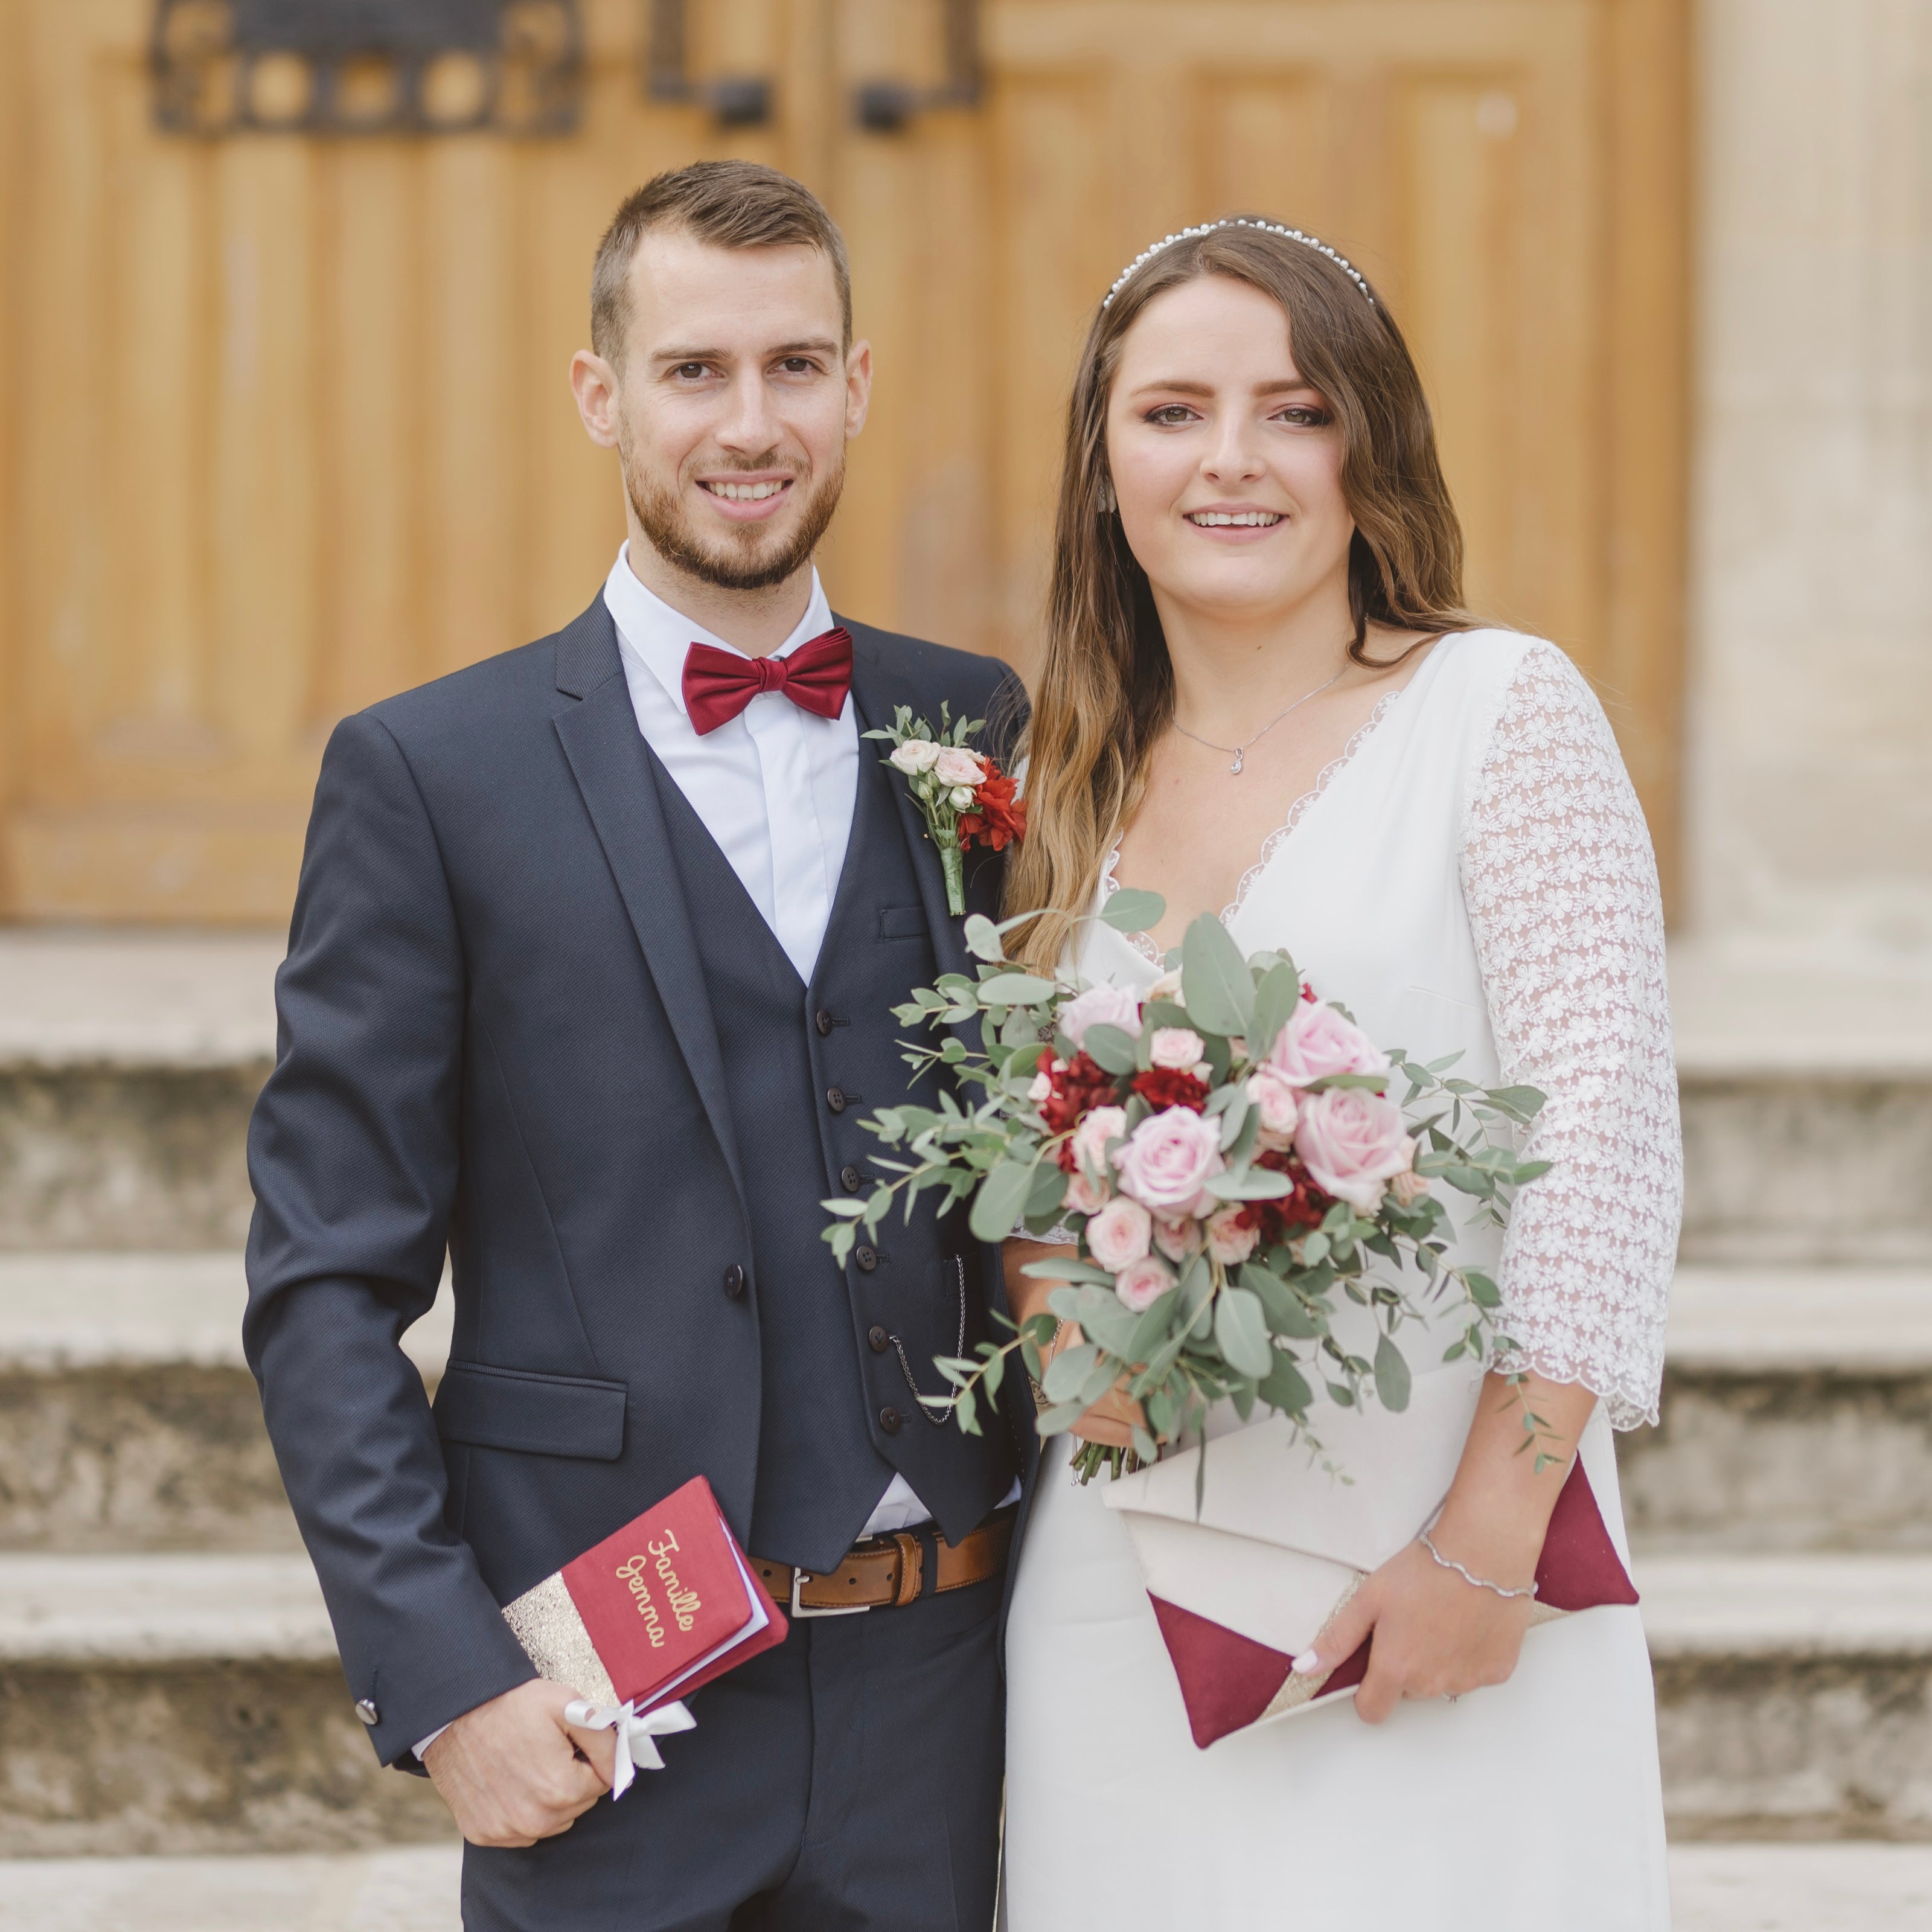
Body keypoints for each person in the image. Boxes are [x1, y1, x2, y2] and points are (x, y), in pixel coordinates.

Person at [243, 161, 1029, 1932]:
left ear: (858, 384)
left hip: (951, 1684)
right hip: (611, 1706)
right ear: (601, 393)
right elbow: (320, 1288)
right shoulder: (430, 775)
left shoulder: (975, 726)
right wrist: (443, 1680)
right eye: (694, 371)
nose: (751, 425)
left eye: (796, 368)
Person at [997, 219, 1679, 1929]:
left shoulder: (1499, 712)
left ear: (1372, 449)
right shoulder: (1053, 781)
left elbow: (1606, 1138)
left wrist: (1485, 1544)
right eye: (1171, 413)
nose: (1229, 461)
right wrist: (1072, 1351)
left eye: (1292, 411)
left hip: (1443, 1553)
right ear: (1100, 465)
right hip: (1129, 1572)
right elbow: (1011, 1157)